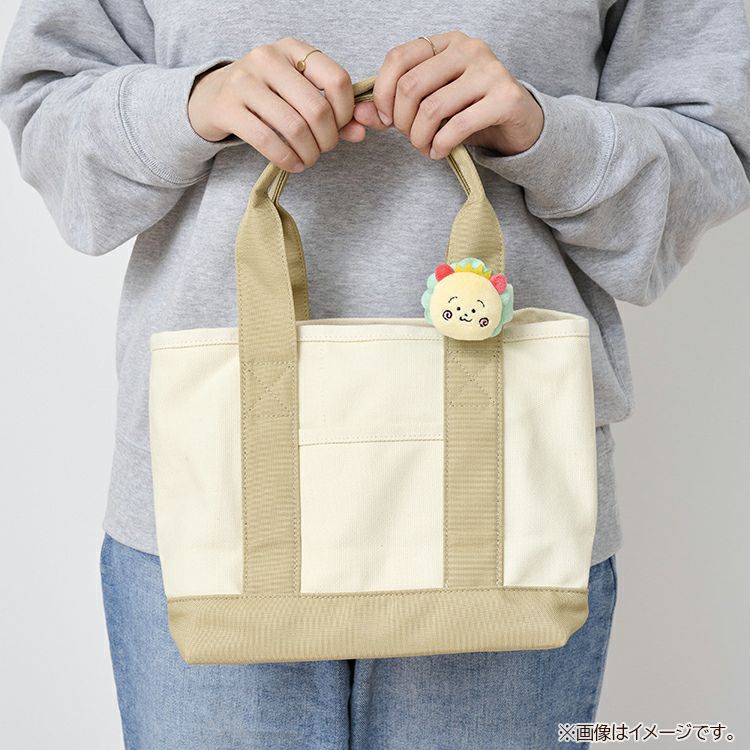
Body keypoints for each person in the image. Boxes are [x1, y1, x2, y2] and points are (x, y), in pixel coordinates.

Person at [1, 1, 749, 748]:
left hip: (516, 521)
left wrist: (544, 134)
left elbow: (710, 154)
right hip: (210, 520)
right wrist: (190, 105)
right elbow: (46, 120)